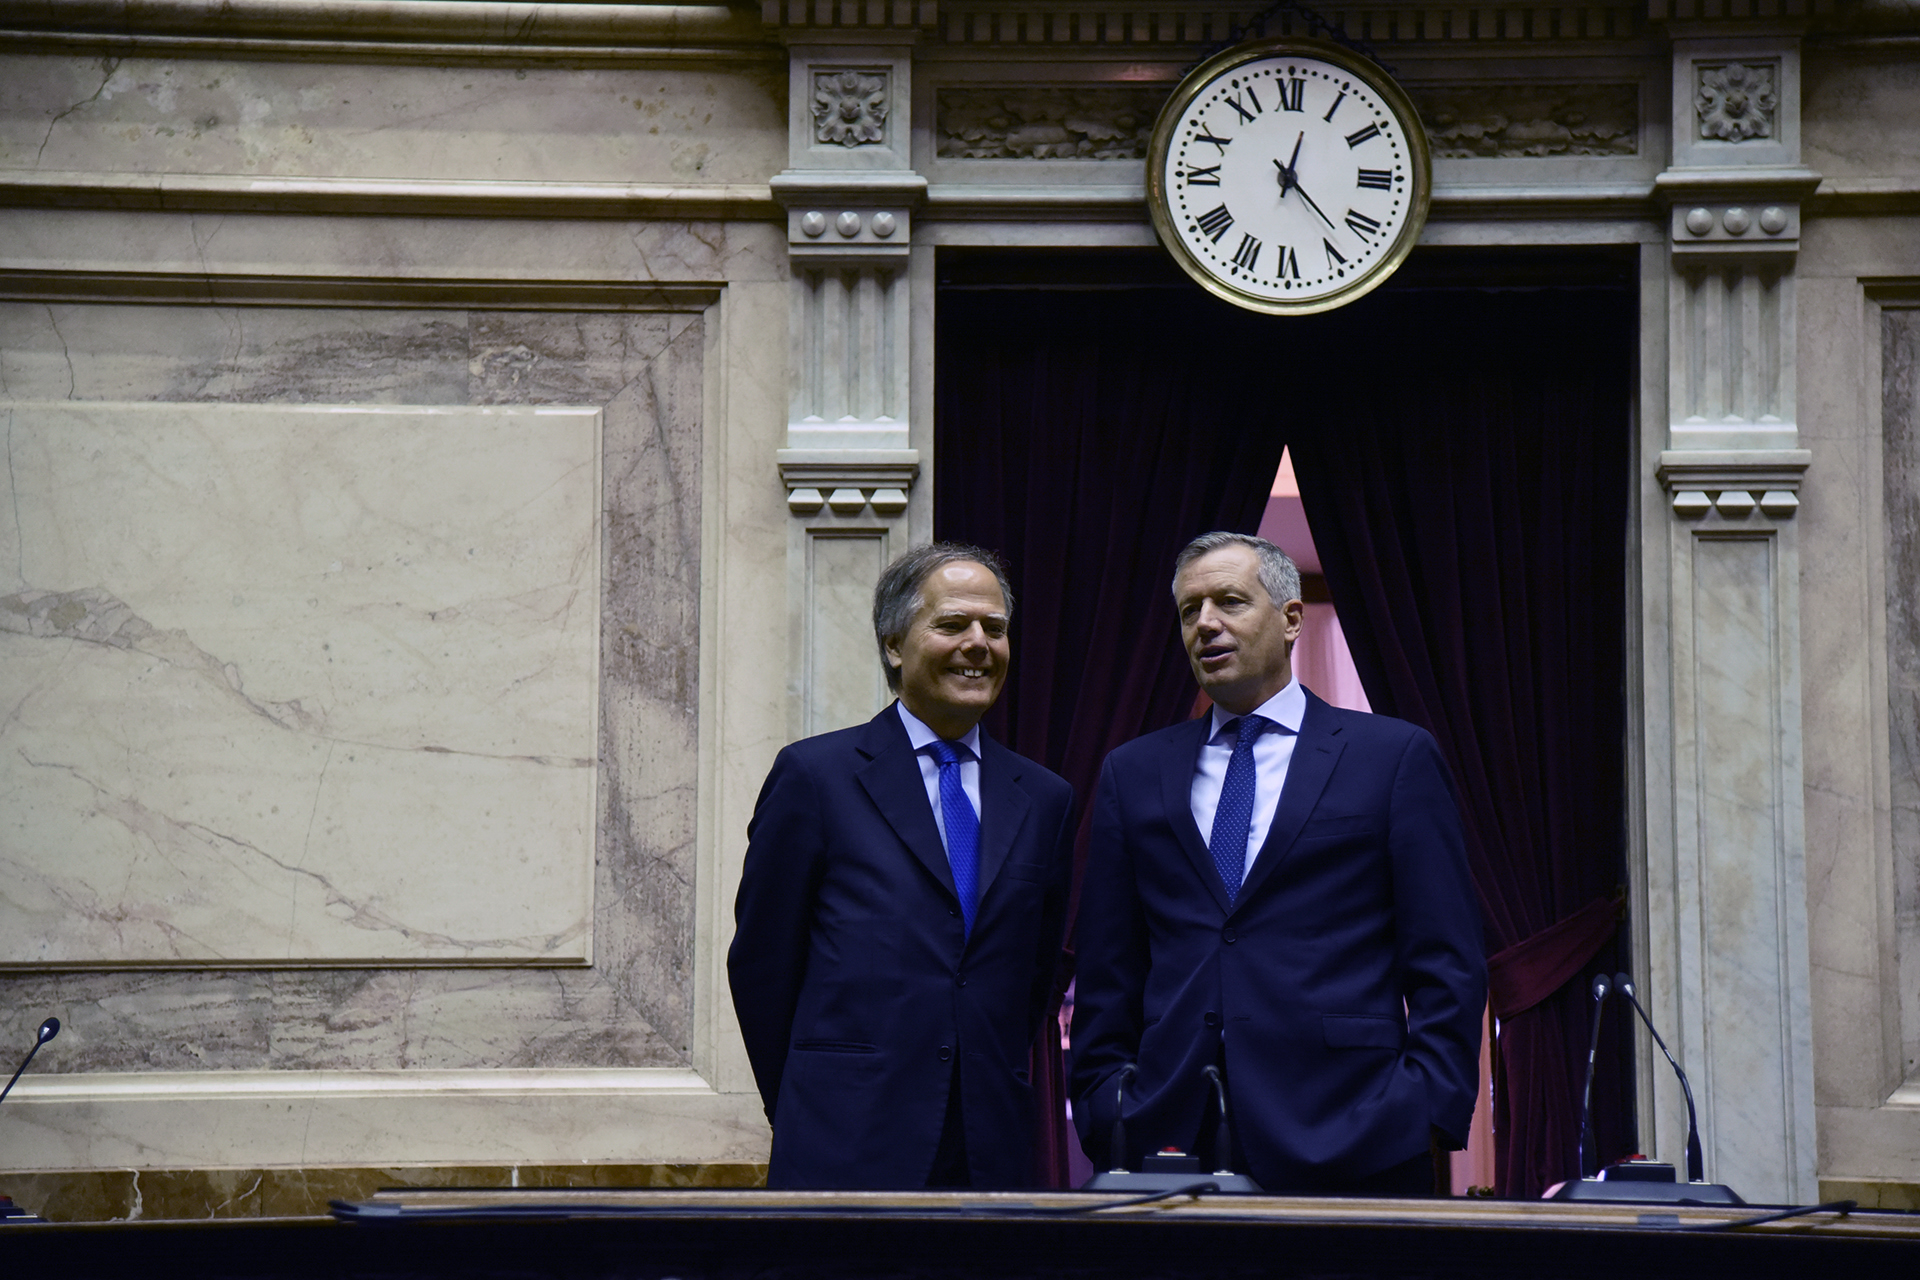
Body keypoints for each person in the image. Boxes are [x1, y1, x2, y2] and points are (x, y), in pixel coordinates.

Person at [1069, 531, 1485, 1194]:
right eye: (1188, 611)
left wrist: (1423, 1108)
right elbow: (1108, 969)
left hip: (1358, 1136)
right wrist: (1104, 1105)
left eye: (1229, 602)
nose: (1206, 624)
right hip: (1169, 1139)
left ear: (1291, 619)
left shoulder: (1392, 758)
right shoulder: (1134, 771)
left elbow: (1447, 959)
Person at [729, 543, 1074, 1189]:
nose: (979, 644)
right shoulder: (815, 777)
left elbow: (1035, 976)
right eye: (952, 625)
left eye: (995, 629)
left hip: (989, 1148)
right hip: (843, 1142)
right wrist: (809, 1103)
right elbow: (763, 966)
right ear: (894, 644)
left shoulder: (1045, 798)